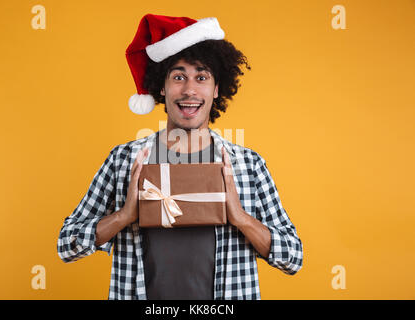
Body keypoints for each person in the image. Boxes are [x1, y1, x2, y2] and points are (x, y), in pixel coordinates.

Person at [57, 14, 303, 300]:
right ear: (161, 87)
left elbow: (292, 258)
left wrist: (240, 218)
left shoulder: (248, 165)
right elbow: (67, 245)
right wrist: (124, 216)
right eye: (178, 77)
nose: (189, 90)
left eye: (201, 77)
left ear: (216, 88)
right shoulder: (125, 160)